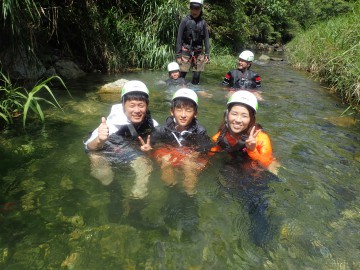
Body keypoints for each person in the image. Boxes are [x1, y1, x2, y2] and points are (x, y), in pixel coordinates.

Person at [84, 80, 159, 199]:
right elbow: (89, 147)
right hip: (108, 151)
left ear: (147, 105)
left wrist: (149, 151)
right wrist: (100, 140)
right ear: (123, 104)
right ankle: (113, 191)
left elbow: (158, 145)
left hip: (128, 152)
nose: (137, 110)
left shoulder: (151, 124)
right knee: (96, 159)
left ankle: (136, 201)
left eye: (141, 105)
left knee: (145, 165)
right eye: (132, 105)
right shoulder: (111, 124)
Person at [139, 88, 211, 195]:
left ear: (195, 113)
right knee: (165, 159)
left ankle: (190, 194)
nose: (183, 115)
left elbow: (205, 151)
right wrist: (148, 151)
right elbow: (150, 148)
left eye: (188, 110)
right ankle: (172, 191)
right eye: (179, 109)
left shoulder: (200, 131)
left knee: (189, 163)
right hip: (168, 156)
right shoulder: (161, 130)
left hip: (188, 158)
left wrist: (194, 156)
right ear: (172, 111)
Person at [210, 90, 279, 173]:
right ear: (227, 115)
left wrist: (252, 150)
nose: (238, 120)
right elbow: (208, 156)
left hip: (256, 170)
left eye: (244, 116)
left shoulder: (261, 139)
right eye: (234, 114)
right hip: (235, 166)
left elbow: (266, 165)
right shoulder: (219, 138)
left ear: (251, 119)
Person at [176, 0, 210, 85]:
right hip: (186, 50)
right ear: (190, 8)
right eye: (192, 8)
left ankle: (195, 91)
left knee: (196, 75)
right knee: (182, 74)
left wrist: (207, 53)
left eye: (197, 8)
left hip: (199, 52)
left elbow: (206, 39)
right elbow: (179, 38)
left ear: (201, 9)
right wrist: (178, 54)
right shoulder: (185, 21)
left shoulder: (203, 23)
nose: (194, 11)